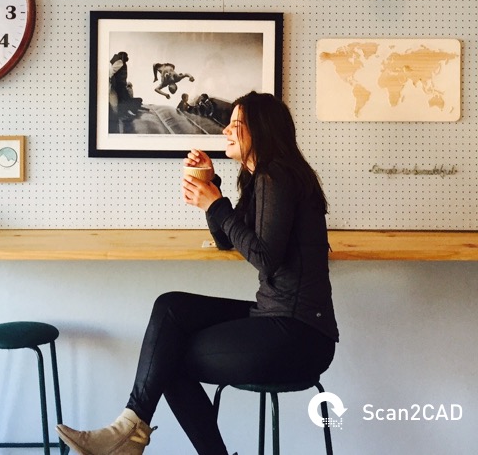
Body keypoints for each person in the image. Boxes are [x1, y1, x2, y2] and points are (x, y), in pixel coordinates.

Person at [56, 92, 339, 455]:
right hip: (276, 317)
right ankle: (128, 429)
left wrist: (216, 204)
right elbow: (227, 240)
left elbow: (265, 258)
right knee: (171, 308)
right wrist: (212, 188)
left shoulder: (276, 176)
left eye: (236, 125)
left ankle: (127, 435)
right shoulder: (262, 179)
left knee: (166, 359)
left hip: (299, 336)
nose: (226, 131)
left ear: (262, 131)